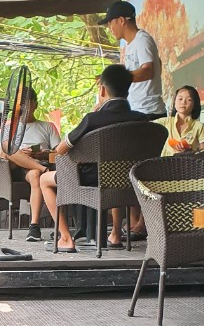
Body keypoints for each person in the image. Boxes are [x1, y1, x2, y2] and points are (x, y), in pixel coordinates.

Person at [40, 64, 146, 251]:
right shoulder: (142, 120)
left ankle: (65, 238)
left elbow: (61, 149)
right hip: (130, 179)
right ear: (128, 90)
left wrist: (96, 113)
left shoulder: (93, 119)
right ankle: (115, 234)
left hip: (90, 178)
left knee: (44, 180)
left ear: (102, 89)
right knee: (115, 170)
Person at [102, 0, 165, 238]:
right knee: (130, 167)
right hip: (134, 110)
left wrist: (120, 78)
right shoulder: (128, 46)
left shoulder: (142, 39)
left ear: (122, 20)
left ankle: (143, 223)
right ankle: (133, 220)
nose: (110, 29)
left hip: (149, 111)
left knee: (145, 169)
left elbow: (149, 70)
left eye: (110, 23)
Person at [0, 89, 61, 242]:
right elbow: (2, 153)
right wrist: (21, 153)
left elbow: (59, 152)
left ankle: (34, 226)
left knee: (35, 174)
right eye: (20, 104)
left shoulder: (48, 126)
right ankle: (43, 170)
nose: (23, 107)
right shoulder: (9, 127)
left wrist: (43, 153)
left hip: (37, 167)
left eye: (26, 103)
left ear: (35, 104)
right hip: (15, 169)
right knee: (9, 148)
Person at [158, 86, 204, 155]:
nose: (183, 102)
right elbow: (146, 127)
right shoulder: (165, 122)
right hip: (166, 161)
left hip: (190, 161)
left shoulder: (199, 126)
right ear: (175, 102)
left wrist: (190, 151)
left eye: (189, 100)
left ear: (194, 105)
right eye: (180, 99)